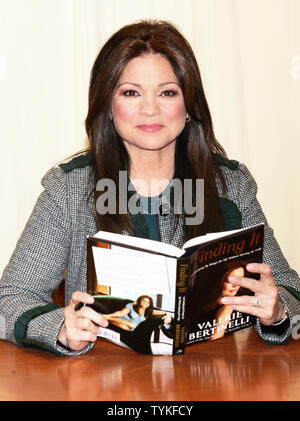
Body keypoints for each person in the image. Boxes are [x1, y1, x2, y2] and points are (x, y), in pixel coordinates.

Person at [0, 20, 299, 356]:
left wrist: (277, 311)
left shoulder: (231, 184)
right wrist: (60, 328)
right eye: (131, 92)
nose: (150, 109)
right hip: (103, 382)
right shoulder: (68, 189)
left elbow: (289, 286)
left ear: (188, 105)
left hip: (212, 377)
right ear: (108, 106)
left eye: (167, 92)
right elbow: (11, 296)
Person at [103, 295, 172, 331]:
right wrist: (110, 315)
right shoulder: (131, 306)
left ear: (150, 304)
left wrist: (168, 316)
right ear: (140, 301)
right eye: (143, 301)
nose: (145, 303)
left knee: (126, 327)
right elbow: (121, 313)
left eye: (148, 302)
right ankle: (107, 317)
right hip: (125, 321)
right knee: (132, 324)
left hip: (130, 327)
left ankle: (107, 318)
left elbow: (167, 313)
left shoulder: (149, 312)